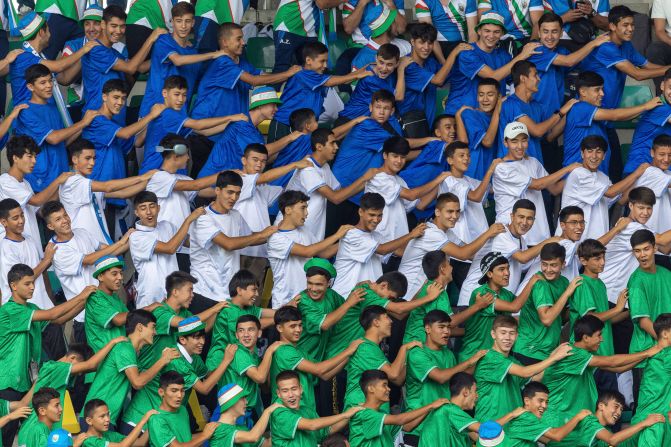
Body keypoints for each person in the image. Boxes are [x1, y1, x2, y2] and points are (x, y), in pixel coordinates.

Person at [0, 263, 93, 445]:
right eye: (27, 283)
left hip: (25, 383)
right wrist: (81, 295)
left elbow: (57, 320)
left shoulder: (30, 308)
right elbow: (52, 314)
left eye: (33, 282)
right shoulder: (9, 311)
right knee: (5, 435)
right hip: (7, 382)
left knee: (25, 433)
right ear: (13, 285)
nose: (33, 287)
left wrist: (84, 302)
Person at [541, 315, 662, 429]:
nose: (602, 339)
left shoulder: (586, 354)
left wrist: (646, 356)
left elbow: (618, 368)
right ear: (586, 338)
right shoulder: (572, 353)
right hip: (557, 419)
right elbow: (612, 362)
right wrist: (647, 352)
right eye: (599, 335)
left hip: (568, 419)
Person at [122, 317, 236, 431]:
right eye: (197, 337)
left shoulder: (195, 358)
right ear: (182, 339)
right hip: (138, 421)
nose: (202, 342)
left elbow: (210, 377)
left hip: (157, 422)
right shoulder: (176, 359)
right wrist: (226, 361)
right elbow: (204, 389)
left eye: (203, 337)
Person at [42, 201, 130, 342]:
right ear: (50, 226)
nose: (65, 220)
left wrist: (132, 240)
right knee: (90, 361)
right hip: (84, 316)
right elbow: (89, 259)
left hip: (106, 307)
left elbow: (107, 250)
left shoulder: (81, 232)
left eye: (65, 215)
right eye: (58, 219)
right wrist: (120, 243)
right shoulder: (56, 250)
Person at [188, 170, 276, 310]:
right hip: (204, 291)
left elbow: (250, 238)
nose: (234, 198)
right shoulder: (203, 217)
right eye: (229, 192)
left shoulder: (236, 215)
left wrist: (276, 231)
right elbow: (228, 244)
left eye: (237, 193)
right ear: (217, 190)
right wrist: (261, 235)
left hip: (227, 294)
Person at [81, 310, 179, 429]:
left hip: (105, 418)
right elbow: (137, 382)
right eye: (153, 327)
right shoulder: (125, 348)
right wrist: (163, 360)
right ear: (140, 327)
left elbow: (142, 377)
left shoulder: (132, 351)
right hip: (96, 418)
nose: (155, 332)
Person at [404, 310, 486, 445]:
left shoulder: (448, 354)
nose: (447, 332)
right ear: (427, 329)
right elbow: (440, 377)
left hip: (442, 426)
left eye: (449, 327)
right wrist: (469, 361)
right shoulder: (417, 353)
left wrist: (479, 360)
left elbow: (459, 379)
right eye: (441, 327)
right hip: (418, 427)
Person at [459, 199, 560, 308]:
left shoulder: (522, 241)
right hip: (474, 298)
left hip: (494, 301)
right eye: (521, 217)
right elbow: (523, 258)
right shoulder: (502, 233)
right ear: (512, 216)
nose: (525, 222)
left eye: (529, 218)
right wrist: (550, 241)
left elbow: (525, 266)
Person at [82, 80, 165, 213]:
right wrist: (151, 115)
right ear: (104, 97)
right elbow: (126, 134)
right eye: (116, 97)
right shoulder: (97, 120)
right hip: (99, 192)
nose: (120, 102)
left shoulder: (114, 125)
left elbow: (137, 142)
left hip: (114, 194)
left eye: (123, 98)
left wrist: (154, 120)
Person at [191, 22, 299, 123]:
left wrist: (293, 75)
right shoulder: (222, 62)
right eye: (239, 39)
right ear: (225, 42)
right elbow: (254, 80)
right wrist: (287, 74)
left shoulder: (242, 63)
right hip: (207, 125)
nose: (243, 42)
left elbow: (262, 76)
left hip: (230, 126)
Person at [14, 65, 97, 193]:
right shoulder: (26, 110)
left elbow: (63, 141)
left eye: (50, 81)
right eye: (43, 82)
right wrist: (82, 123)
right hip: (39, 180)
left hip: (59, 175)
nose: (49, 86)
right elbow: (53, 138)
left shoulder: (53, 109)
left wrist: (86, 125)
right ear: (31, 87)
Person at [140, 76, 249, 175]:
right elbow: (198, 125)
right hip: (157, 169)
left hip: (169, 168)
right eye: (176, 94)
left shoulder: (166, 113)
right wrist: (230, 117)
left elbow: (204, 132)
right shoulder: (168, 114)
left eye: (184, 95)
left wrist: (231, 124)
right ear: (164, 93)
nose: (180, 100)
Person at [493, 121, 579, 245]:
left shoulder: (533, 162)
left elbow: (554, 188)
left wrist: (579, 174)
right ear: (505, 143)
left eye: (523, 140)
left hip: (537, 234)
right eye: (514, 141)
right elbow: (538, 185)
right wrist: (568, 168)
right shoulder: (501, 168)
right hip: (511, 234)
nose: (520, 146)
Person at [284, 128, 378, 240]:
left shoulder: (325, 166)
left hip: (310, 233)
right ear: (319, 147)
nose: (336, 147)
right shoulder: (308, 169)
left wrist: (368, 181)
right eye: (332, 143)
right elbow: (335, 198)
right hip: (293, 233)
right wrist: (363, 178)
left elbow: (340, 193)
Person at [475, 315, 573, 421]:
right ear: (493, 334)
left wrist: (554, 356)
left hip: (510, 427)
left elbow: (535, 377)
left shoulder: (513, 361)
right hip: (490, 426)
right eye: (503, 333)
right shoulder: (489, 357)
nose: (507, 338)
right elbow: (524, 372)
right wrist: (553, 358)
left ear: (517, 335)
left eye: (511, 333)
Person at [268, 42, 371, 142]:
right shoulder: (303, 74)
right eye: (322, 61)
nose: (325, 65)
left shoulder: (316, 77)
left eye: (326, 61)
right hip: (284, 123)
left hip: (302, 127)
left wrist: (365, 70)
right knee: (278, 158)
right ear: (308, 60)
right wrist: (357, 75)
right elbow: (331, 81)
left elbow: (345, 79)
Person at [563, 71, 662, 175]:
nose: (602, 94)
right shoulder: (580, 108)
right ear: (583, 92)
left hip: (594, 175)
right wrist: (645, 106)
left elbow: (622, 117)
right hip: (579, 176)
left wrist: (646, 109)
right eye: (597, 90)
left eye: (602, 89)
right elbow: (615, 115)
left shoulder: (595, 109)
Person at [60, 138, 155, 247]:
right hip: (84, 246)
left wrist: (150, 179)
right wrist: (142, 177)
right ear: (75, 159)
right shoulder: (72, 181)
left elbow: (123, 194)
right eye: (88, 158)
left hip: (99, 244)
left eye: (94, 158)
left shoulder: (87, 184)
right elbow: (107, 187)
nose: (92, 163)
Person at [81, 5, 165, 124]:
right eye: (114, 26)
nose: (118, 31)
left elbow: (138, 68)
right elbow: (130, 68)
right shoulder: (96, 49)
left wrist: (165, 56)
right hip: (98, 120)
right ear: (103, 25)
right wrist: (151, 38)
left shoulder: (115, 53)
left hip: (117, 119)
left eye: (122, 26)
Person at [268, 190, 352, 308]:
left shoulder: (304, 230)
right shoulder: (276, 238)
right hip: (286, 301)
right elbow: (307, 251)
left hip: (308, 299)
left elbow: (324, 253)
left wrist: (347, 241)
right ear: (288, 210)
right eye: (303, 208)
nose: (307, 213)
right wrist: (337, 235)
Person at [332, 192, 426, 296]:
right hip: (344, 296)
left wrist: (424, 245)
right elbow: (383, 250)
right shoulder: (352, 234)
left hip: (365, 298)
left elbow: (399, 251)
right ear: (360, 212)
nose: (376, 220)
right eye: (372, 215)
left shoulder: (377, 236)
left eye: (380, 215)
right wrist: (411, 235)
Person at [444, 12, 540, 115]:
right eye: (487, 31)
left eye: (496, 32)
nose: (491, 36)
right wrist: (522, 56)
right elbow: (492, 77)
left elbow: (515, 82)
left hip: (487, 116)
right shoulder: (467, 52)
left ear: (502, 33)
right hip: (459, 114)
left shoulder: (504, 55)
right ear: (479, 31)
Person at [270, 306, 362, 411]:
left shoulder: (299, 351)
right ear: (279, 328)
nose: (298, 330)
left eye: (300, 325)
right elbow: (319, 369)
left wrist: (350, 355)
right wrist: (348, 351)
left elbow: (325, 374)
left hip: (305, 410)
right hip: (290, 413)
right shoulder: (284, 351)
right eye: (293, 326)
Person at [138, 2, 220, 118]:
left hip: (179, 116)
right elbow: (178, 60)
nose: (183, 26)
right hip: (153, 112)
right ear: (172, 22)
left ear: (193, 23)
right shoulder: (163, 40)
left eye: (187, 21)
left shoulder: (193, 52)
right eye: (178, 21)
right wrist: (213, 54)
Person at [197, 86, 301, 177]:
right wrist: (290, 138)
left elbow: (265, 158)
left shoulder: (256, 132)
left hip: (228, 184)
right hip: (211, 186)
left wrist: (292, 148)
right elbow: (262, 152)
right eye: (273, 105)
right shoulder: (242, 125)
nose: (276, 109)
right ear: (260, 105)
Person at [561, 135, 649, 241]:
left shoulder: (603, 178)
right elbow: (610, 192)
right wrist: (637, 173)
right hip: (575, 241)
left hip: (595, 242)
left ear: (604, 155)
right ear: (582, 154)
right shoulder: (579, 173)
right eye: (589, 151)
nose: (594, 156)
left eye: (598, 152)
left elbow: (620, 199)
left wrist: (641, 178)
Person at [29, 339, 126, 430]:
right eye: (80, 367)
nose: (80, 373)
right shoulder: (56, 368)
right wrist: (113, 342)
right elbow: (90, 364)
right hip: (36, 427)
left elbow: (91, 367)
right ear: (72, 358)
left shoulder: (54, 370)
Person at [129, 191, 204, 307]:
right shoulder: (136, 236)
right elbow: (170, 248)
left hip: (172, 294)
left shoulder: (167, 226)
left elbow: (191, 242)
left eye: (152, 206)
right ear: (136, 212)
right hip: (150, 296)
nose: (149, 212)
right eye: (143, 208)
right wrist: (189, 220)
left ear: (158, 208)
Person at [402, 250, 495, 344]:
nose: (451, 267)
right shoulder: (436, 291)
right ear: (442, 269)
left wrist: (473, 331)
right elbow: (450, 323)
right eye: (449, 264)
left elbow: (445, 327)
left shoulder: (434, 288)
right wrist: (477, 306)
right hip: (418, 348)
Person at [599, 187, 671, 305]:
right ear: (631, 206)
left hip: (618, 293)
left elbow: (665, 249)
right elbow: (662, 240)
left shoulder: (637, 226)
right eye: (641, 208)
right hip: (610, 291)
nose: (646, 213)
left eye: (649, 208)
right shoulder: (630, 227)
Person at [0, 136, 72, 254]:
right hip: (14, 248)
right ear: (15, 158)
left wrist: (63, 188)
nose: (34, 161)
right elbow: (36, 200)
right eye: (29, 156)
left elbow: (40, 209)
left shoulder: (26, 184)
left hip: (30, 244)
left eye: (35, 157)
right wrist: (58, 181)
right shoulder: (5, 181)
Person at [397, 23, 471, 136]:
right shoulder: (408, 65)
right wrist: (454, 53)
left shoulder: (431, 63)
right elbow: (438, 80)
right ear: (412, 42)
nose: (426, 47)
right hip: (409, 124)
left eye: (430, 43)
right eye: (421, 42)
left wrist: (442, 57)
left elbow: (446, 74)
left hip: (428, 122)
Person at [514, 244, 583, 364]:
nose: (548, 269)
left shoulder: (564, 282)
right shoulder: (540, 284)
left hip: (549, 352)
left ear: (563, 264)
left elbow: (560, 316)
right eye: (544, 264)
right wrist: (567, 293)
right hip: (529, 350)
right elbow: (547, 319)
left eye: (553, 265)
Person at [459, 252, 534, 362]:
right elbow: (515, 307)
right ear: (489, 274)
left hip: (494, 356)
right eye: (501, 269)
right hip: (474, 355)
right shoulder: (481, 294)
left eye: (508, 268)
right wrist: (532, 281)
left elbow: (522, 305)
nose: (507, 273)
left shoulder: (506, 294)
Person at [529, 12, 609, 115]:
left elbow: (580, 62)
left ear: (561, 33)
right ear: (539, 33)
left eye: (554, 31)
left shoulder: (562, 51)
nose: (549, 36)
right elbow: (569, 61)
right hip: (536, 112)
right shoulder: (535, 50)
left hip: (555, 112)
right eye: (545, 32)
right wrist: (593, 43)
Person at [10, 12, 95, 107]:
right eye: (49, 31)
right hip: (31, 117)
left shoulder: (42, 57)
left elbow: (64, 79)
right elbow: (59, 66)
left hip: (45, 114)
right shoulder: (24, 57)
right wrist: (83, 49)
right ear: (42, 33)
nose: (50, 35)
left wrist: (85, 54)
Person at [416, 372, 525, 446]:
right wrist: (512, 414)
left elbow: (477, 436)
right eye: (475, 391)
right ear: (466, 392)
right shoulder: (450, 410)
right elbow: (485, 429)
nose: (477, 396)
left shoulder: (450, 414)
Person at [344, 305, 420, 410]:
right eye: (387, 317)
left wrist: (410, 355)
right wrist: (404, 348)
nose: (391, 321)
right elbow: (393, 374)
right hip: (362, 411)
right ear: (376, 322)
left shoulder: (374, 348)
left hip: (374, 411)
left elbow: (398, 380)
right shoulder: (365, 347)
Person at [349, 369, 449, 447]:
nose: (389, 389)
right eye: (384, 385)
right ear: (371, 388)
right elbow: (399, 420)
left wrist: (430, 409)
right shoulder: (364, 414)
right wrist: (430, 405)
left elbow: (407, 426)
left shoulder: (382, 414)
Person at [569, 239, 626, 361]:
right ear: (583, 260)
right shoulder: (582, 283)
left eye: (603, 257)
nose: (603, 262)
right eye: (597, 259)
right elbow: (590, 317)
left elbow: (607, 319)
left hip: (605, 351)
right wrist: (618, 308)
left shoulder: (600, 284)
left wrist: (629, 311)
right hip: (588, 355)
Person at [207, 269, 275, 370]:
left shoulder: (248, 308)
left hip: (240, 362)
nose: (257, 294)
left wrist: (289, 307)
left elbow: (274, 313)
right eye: (254, 290)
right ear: (239, 290)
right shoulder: (228, 310)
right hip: (220, 365)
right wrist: (279, 319)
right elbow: (250, 326)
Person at [270, 370, 362, 445]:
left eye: (294, 389)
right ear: (278, 394)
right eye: (285, 391)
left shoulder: (306, 411)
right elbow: (312, 425)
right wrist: (344, 415)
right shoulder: (279, 413)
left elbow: (329, 430)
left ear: (301, 389)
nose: (291, 395)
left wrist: (352, 414)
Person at [221, 315, 284, 419]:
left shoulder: (253, 355)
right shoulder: (238, 352)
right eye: (241, 331)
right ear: (236, 335)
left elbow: (265, 387)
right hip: (232, 412)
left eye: (250, 330)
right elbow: (260, 378)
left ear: (259, 333)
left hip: (245, 412)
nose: (246, 335)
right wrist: (270, 350)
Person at [0, 199, 54, 310]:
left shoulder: (29, 239)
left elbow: (40, 269)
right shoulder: (6, 249)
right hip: (23, 312)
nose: (21, 221)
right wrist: (47, 260)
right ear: (3, 222)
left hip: (43, 306)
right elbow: (21, 280)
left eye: (22, 215)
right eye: (15, 218)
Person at [517, 206, 585, 291]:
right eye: (574, 223)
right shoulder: (560, 243)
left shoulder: (569, 245)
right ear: (562, 225)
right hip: (528, 300)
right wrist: (608, 233)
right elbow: (590, 248)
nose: (579, 226)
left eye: (582, 222)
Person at [504, 382, 595, 446]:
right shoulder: (526, 417)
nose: (544, 406)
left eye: (546, 402)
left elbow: (549, 440)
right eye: (540, 401)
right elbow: (556, 436)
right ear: (527, 401)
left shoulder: (528, 419)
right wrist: (578, 417)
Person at [628, 313, 671, 445]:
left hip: (646, 418)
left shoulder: (654, 355)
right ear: (665, 334)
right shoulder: (666, 355)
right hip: (655, 422)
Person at [338, 43, 408, 123]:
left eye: (389, 64)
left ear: (396, 64)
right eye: (381, 62)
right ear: (376, 59)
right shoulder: (371, 78)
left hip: (366, 122)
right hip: (349, 120)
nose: (384, 68)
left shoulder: (373, 66)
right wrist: (401, 69)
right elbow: (399, 97)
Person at [146, 371, 219, 447]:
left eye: (182, 390)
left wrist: (211, 432)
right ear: (161, 392)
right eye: (174, 391)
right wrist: (204, 435)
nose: (179, 395)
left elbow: (187, 439)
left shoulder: (182, 409)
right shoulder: (157, 420)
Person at [454, 78, 502, 180]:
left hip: (494, 176)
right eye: (481, 95)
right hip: (473, 175)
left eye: (490, 95)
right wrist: (498, 108)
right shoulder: (470, 114)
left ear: (498, 97)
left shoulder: (503, 115)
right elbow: (487, 142)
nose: (485, 99)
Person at [210, 383, 282, 447]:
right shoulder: (219, 430)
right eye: (242, 398)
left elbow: (267, 443)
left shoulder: (242, 428)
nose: (246, 402)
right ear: (231, 402)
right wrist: (267, 411)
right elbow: (253, 437)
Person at [633, 134, 671, 235]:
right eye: (662, 154)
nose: (666, 159)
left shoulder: (667, 174)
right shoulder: (649, 171)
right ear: (652, 153)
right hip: (648, 235)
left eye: (670, 155)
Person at [80, 399, 154, 447]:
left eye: (108, 414)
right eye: (102, 416)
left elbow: (140, 443)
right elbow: (123, 446)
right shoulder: (89, 441)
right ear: (89, 421)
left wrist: (152, 421)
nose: (108, 419)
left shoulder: (110, 435)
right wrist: (143, 420)